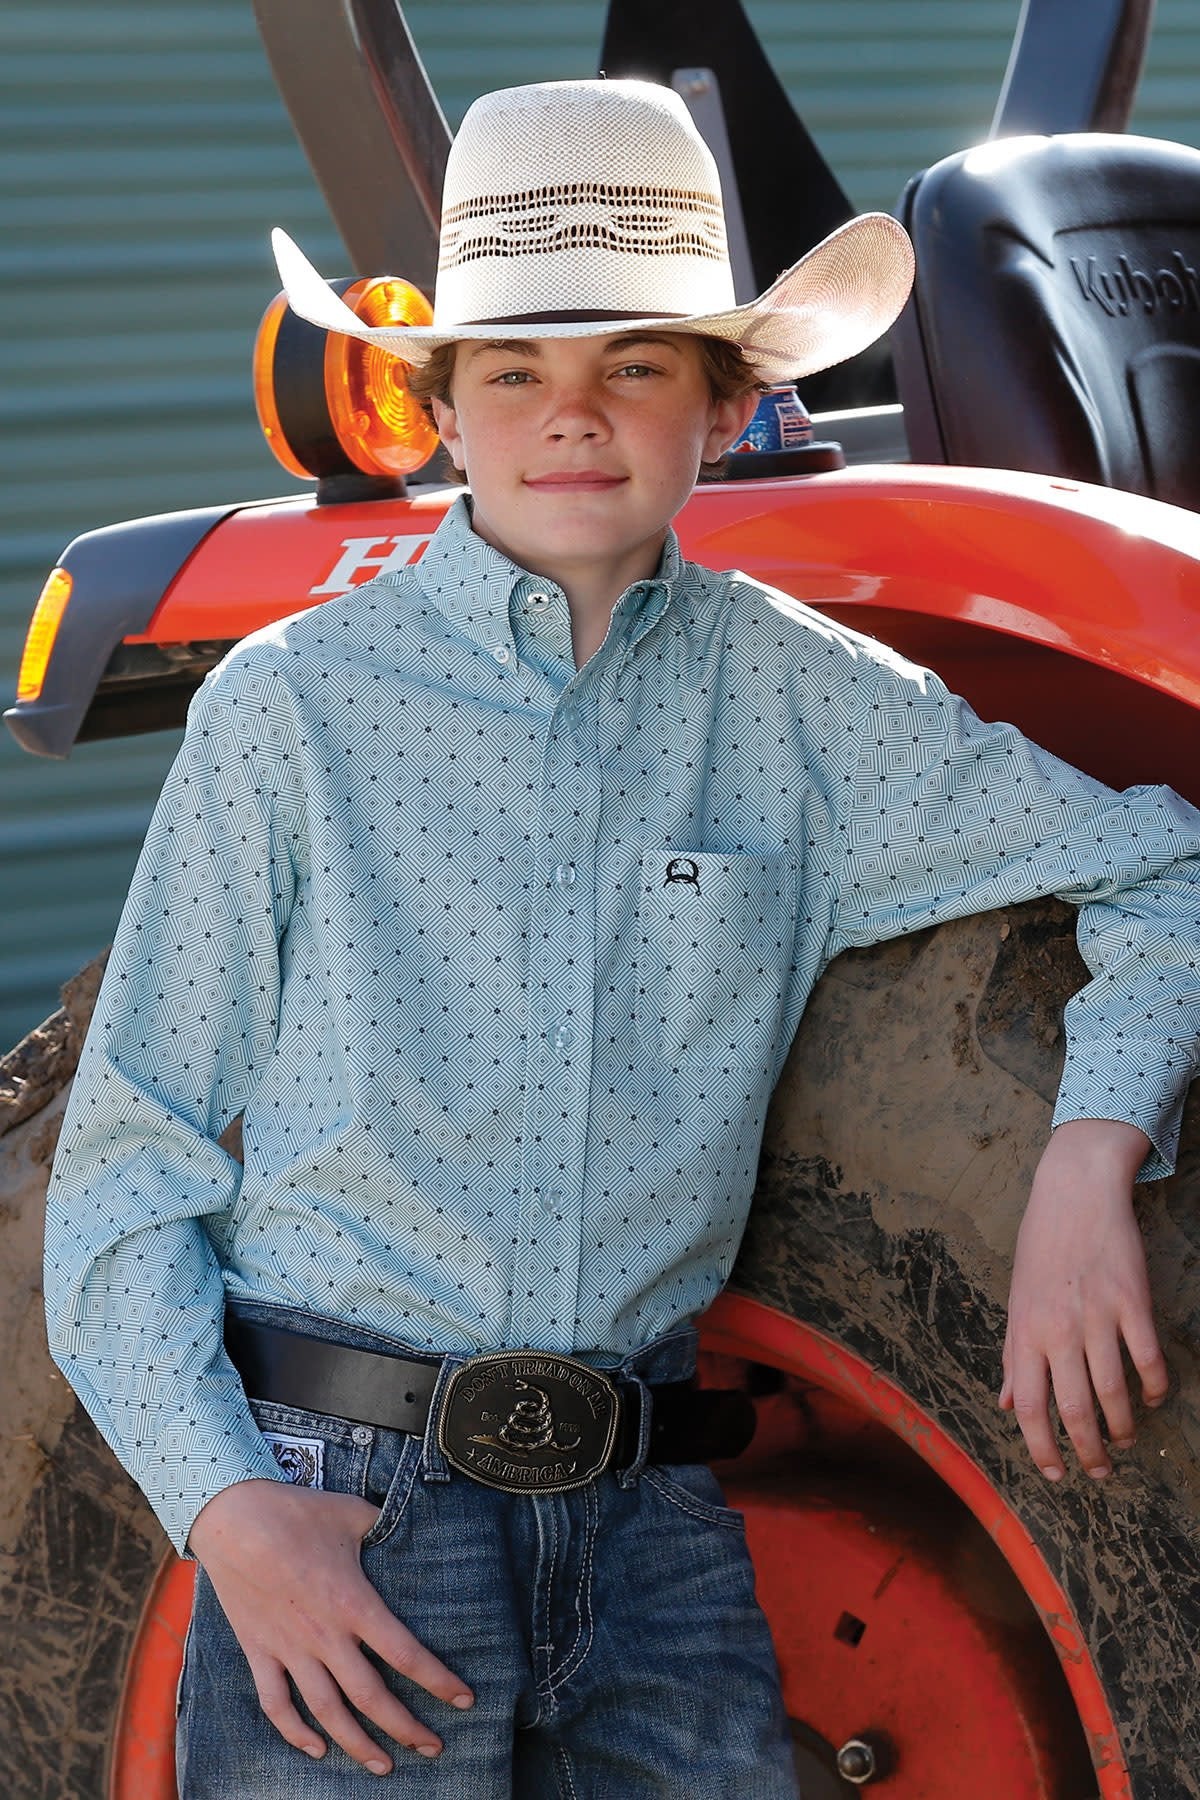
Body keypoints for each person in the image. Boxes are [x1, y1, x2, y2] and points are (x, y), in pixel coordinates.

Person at [44, 77, 1200, 1799]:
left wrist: (1087, 1155)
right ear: (443, 404)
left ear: (727, 401)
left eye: (637, 366)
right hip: (348, 1509)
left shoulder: (803, 701)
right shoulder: (291, 712)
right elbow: (123, 1164)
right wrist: (235, 1518)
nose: (572, 418)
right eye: (515, 369)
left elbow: (1164, 860)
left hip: (654, 1522)